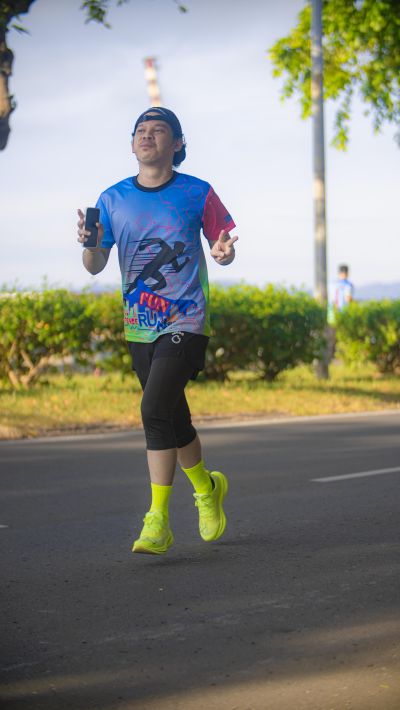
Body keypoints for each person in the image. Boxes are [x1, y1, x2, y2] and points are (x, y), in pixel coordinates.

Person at [77, 107, 238, 555]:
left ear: (178, 143)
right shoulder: (112, 199)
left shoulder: (197, 192)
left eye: (158, 130)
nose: (147, 136)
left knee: (152, 409)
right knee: (171, 415)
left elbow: (222, 245)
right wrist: (89, 244)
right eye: (140, 131)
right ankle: (207, 488)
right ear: (132, 144)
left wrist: (223, 253)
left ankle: (157, 520)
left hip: (187, 318)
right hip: (139, 325)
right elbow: (94, 265)